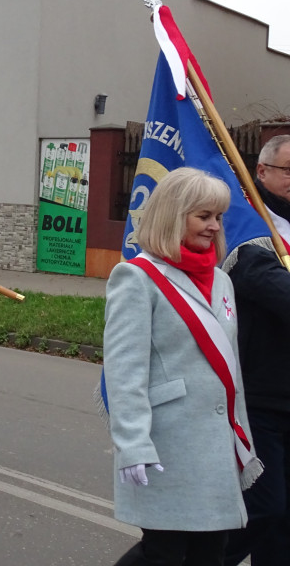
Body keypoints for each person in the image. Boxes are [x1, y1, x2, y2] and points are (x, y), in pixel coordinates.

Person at [103, 167, 261, 566]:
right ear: (175, 214)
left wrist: (242, 440)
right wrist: (133, 444)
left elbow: (231, 372)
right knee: (165, 552)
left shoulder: (221, 280)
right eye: (203, 216)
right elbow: (125, 371)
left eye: (218, 217)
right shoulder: (137, 278)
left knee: (212, 549)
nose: (214, 226)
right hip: (167, 442)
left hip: (218, 443)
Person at [221, 135, 290, 566]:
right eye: (289, 171)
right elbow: (273, 289)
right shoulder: (248, 226)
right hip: (259, 398)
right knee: (262, 509)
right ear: (261, 172)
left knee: (283, 521)